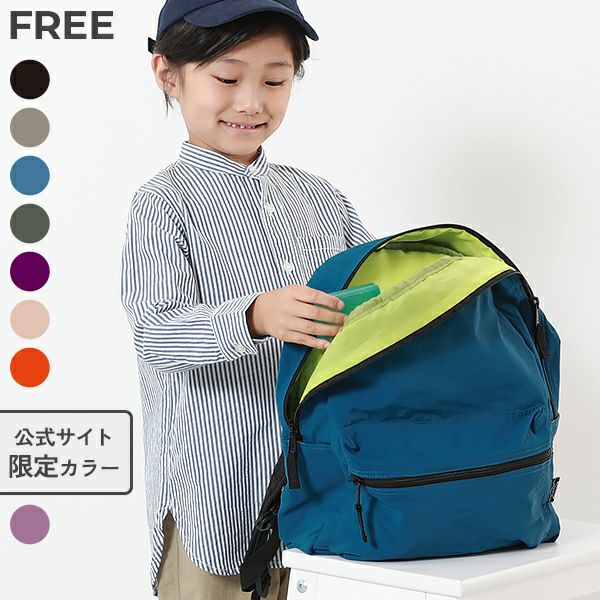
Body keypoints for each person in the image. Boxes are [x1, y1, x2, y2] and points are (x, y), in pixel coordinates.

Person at [120, 1, 376, 598]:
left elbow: (372, 302)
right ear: (167, 74)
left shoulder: (321, 199)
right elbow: (155, 334)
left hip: (322, 494)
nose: (252, 102)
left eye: (275, 81)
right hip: (216, 505)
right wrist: (254, 316)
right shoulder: (163, 204)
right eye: (228, 78)